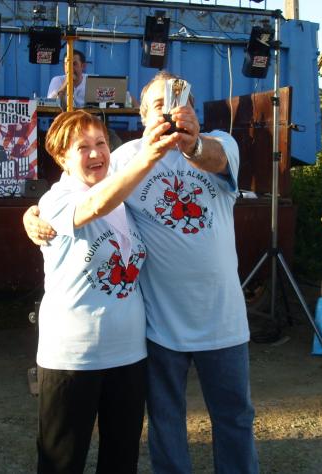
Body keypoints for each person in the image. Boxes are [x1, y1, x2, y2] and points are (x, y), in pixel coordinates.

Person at [25, 71, 259, 473]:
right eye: (159, 106)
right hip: (160, 325)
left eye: (180, 103)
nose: (171, 113)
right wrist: (32, 215)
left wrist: (193, 143)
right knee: (165, 424)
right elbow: (84, 188)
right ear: (142, 114)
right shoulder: (125, 159)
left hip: (222, 319)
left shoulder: (221, 143)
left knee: (234, 417)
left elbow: (215, 159)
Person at [26, 110, 179, 473]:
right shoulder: (57, 199)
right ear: (62, 157)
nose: (96, 153)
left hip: (128, 354)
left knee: (121, 460)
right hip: (73, 358)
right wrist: (148, 157)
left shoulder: (125, 201)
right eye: (83, 147)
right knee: (61, 462)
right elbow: (94, 206)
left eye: (101, 143)